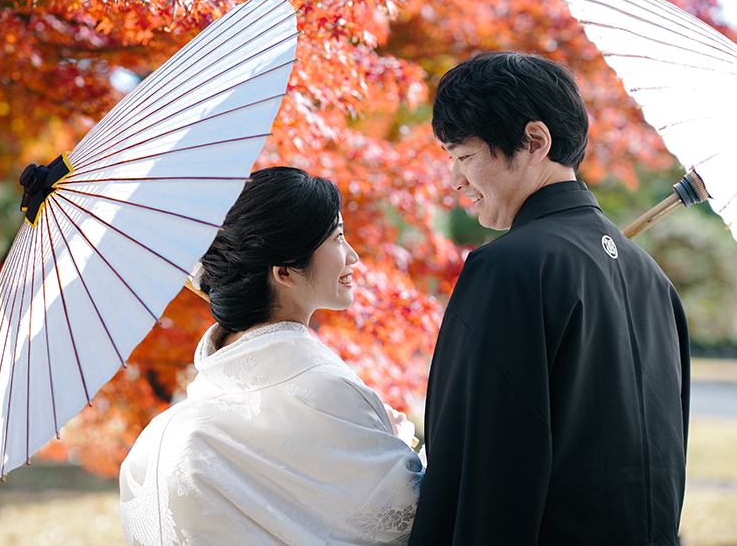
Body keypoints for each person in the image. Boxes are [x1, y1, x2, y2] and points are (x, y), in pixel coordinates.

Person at [408, 52, 690, 545]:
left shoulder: (509, 269)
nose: (455, 181)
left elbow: (478, 470)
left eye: (464, 156)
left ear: (534, 141)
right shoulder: (654, 282)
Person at [119, 166, 424, 545]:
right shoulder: (324, 388)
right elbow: (411, 514)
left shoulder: (166, 431)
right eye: (338, 238)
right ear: (284, 273)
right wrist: (396, 440)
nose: (353, 256)